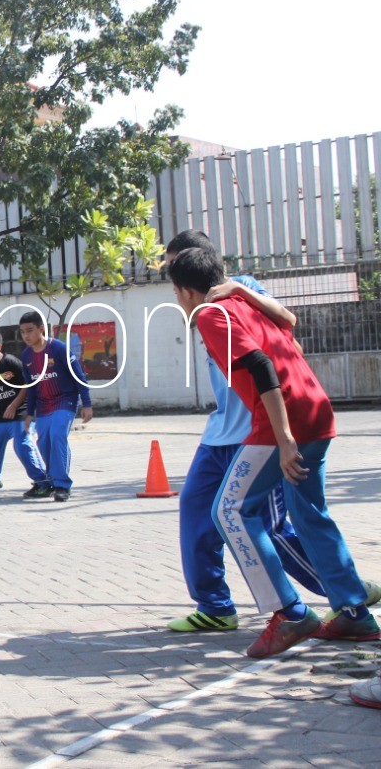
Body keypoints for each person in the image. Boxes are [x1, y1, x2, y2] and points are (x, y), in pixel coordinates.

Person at [160, 231, 379, 633]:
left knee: (237, 513)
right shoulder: (231, 303)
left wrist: (283, 439)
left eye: (174, 272)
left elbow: (261, 364)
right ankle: (352, 608)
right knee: (301, 513)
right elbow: (283, 330)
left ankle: (293, 613)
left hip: (272, 426)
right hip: (301, 414)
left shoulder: (222, 305)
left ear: (187, 284)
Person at [17, 311, 93, 502]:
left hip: (65, 401)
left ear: (41, 329)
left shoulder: (59, 349)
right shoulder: (26, 356)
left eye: (30, 330)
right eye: (22, 332)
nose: (26, 336)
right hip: (43, 406)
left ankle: (62, 485)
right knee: (43, 442)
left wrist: (87, 404)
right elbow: (31, 387)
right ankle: (52, 479)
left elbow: (79, 377)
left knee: (57, 435)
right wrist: (29, 413)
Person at [0, 329, 47, 496]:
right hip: (0, 415)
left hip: (21, 412)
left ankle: (43, 482)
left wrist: (13, 405)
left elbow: (27, 386)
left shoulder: (12, 363)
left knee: (22, 445)